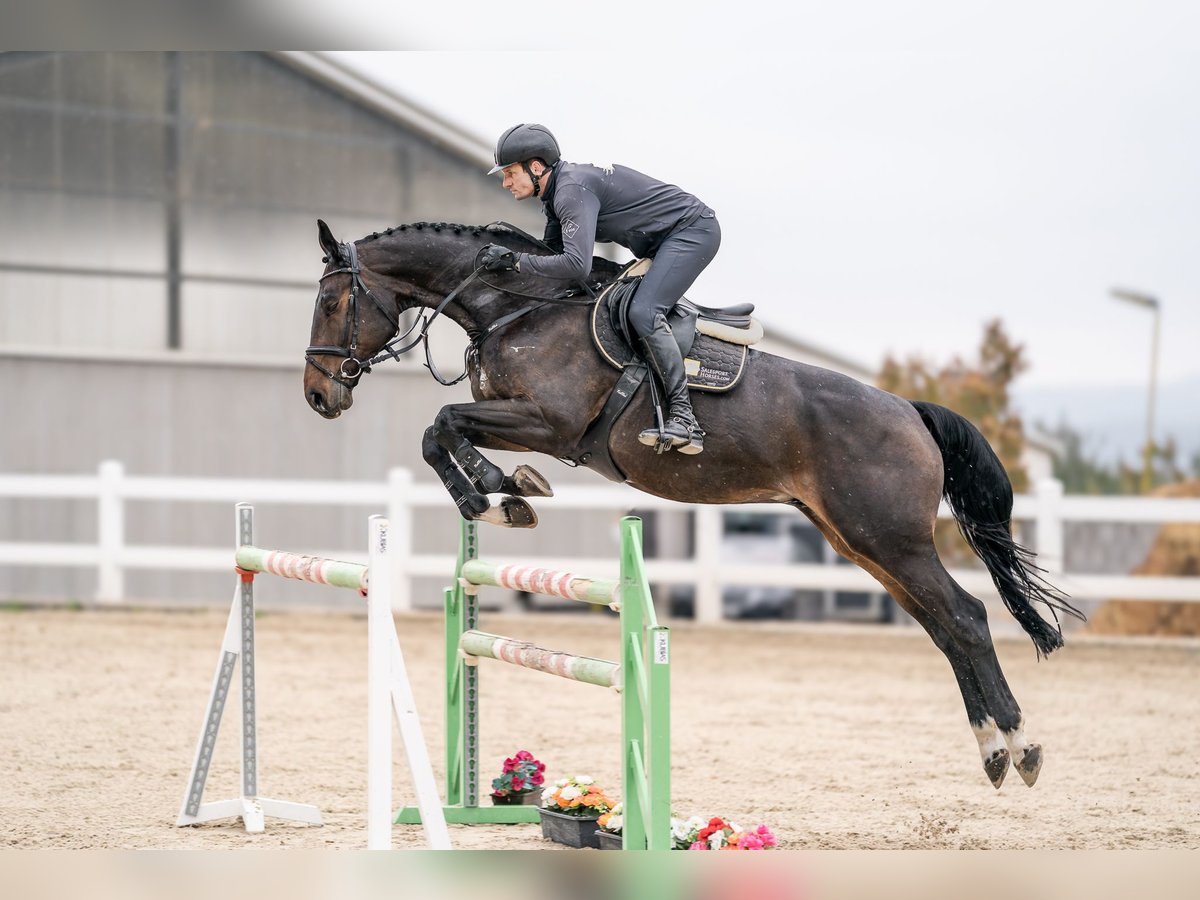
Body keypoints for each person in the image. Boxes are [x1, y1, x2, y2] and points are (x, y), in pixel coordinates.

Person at [479, 123, 720, 455]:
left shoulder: (569, 191)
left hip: (691, 232)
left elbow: (576, 265)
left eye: (509, 173)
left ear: (535, 167)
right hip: (663, 242)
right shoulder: (553, 197)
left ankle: (685, 417)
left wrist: (515, 260)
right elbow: (549, 263)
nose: (505, 182)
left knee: (643, 311)